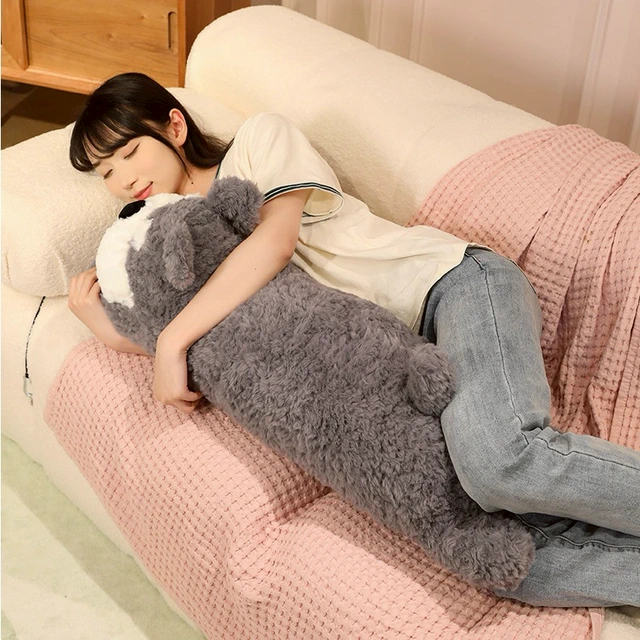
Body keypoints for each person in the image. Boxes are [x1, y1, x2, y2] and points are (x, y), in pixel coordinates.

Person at [68, 72, 640, 608]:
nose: (124, 180)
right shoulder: (174, 241)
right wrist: (107, 327)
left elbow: (274, 244)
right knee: (514, 562)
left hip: (450, 286)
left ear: (174, 126)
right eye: (106, 172)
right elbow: (213, 342)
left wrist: (170, 342)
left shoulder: (259, 142)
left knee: (499, 462)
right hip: (392, 368)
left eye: (130, 152)